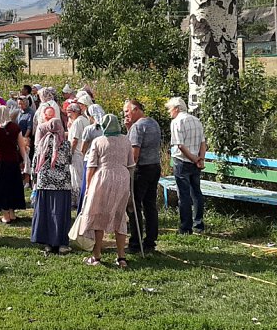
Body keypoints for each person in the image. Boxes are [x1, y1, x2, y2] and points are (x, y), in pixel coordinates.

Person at [77, 114, 134, 268]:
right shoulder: (126, 140)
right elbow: (130, 164)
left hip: (103, 177)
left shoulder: (98, 141)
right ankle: (121, 257)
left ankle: (96, 256)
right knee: (119, 215)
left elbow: (91, 166)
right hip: (122, 177)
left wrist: (88, 187)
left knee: (98, 215)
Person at [123, 99, 163, 253]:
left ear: (135, 109)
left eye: (127, 111)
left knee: (133, 205)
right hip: (154, 166)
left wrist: (128, 171)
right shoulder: (153, 123)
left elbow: (134, 153)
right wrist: (129, 129)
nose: (125, 114)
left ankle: (135, 243)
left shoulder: (138, 127)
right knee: (150, 205)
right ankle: (150, 242)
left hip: (141, 169)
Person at [30, 116, 74, 254]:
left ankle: (48, 243)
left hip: (45, 183)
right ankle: (61, 243)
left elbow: (35, 162)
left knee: (46, 213)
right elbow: (69, 160)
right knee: (60, 214)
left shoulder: (42, 142)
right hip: (62, 184)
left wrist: (34, 180)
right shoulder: (65, 144)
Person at [166, 97, 207, 234]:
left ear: (176, 108)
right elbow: (203, 142)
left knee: (183, 195)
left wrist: (193, 158)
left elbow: (180, 145)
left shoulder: (176, 122)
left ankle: (185, 227)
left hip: (182, 161)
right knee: (196, 193)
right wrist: (200, 158)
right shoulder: (196, 120)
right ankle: (198, 224)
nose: (169, 112)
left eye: (170, 109)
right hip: (196, 162)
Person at [0, 104, 27, 223]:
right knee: (12, 186)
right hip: (13, 161)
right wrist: (24, 160)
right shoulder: (15, 127)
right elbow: (21, 145)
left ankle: (5, 215)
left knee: (1, 187)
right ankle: (12, 212)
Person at [66, 102, 90, 207]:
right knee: (81, 176)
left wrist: (70, 153)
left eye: (69, 112)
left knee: (76, 177)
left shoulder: (77, 122)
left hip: (76, 153)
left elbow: (74, 140)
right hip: (83, 152)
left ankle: (76, 201)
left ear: (75, 112)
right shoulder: (85, 120)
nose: (68, 115)